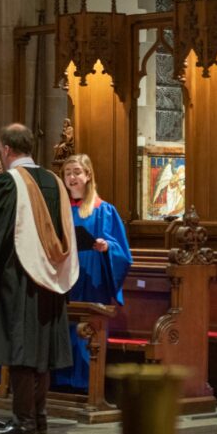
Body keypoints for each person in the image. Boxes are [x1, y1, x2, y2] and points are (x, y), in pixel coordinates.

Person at [0, 123, 78, 434]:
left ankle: (23, 421)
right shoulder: (54, 181)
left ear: (6, 149)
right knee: (43, 351)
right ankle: (39, 418)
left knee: (22, 349)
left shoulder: (6, 183)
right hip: (51, 278)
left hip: (20, 277)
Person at [53, 154, 132, 391]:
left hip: (91, 278)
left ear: (88, 176)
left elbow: (122, 252)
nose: (72, 177)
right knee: (64, 332)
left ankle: (88, 386)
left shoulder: (103, 210)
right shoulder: (59, 210)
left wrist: (107, 247)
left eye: (77, 172)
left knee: (86, 333)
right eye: (67, 173)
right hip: (65, 279)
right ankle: (61, 384)